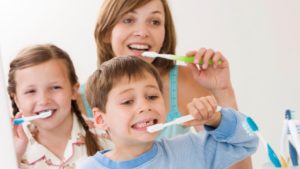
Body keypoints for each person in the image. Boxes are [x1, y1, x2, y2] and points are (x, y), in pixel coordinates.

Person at [78, 0, 252, 168]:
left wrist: (222, 92)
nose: (142, 32)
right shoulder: (77, 100)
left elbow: (238, 153)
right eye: (128, 20)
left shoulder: (187, 147)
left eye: (154, 21)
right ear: (107, 31)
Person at [79, 56, 258, 169]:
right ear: (101, 119)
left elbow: (247, 142)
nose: (144, 106)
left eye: (152, 96)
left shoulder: (191, 150)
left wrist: (217, 119)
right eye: (127, 101)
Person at [8, 44, 106, 168]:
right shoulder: (12, 152)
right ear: (16, 99)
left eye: (55, 88)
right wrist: (12, 158)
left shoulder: (110, 137)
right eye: (31, 91)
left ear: (74, 91)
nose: (43, 100)